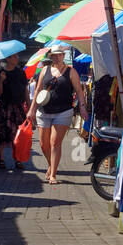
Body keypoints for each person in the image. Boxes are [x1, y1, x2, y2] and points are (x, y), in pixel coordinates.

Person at [30, 45, 84, 184]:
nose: (57, 57)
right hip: (44, 111)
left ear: (63, 55)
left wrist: (83, 107)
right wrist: (32, 109)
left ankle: (53, 174)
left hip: (63, 112)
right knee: (43, 144)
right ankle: (50, 164)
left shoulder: (71, 72)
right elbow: (37, 91)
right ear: (51, 56)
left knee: (55, 143)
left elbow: (79, 91)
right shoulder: (44, 70)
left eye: (60, 54)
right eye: (54, 55)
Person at [0, 54, 29, 170]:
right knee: (2, 134)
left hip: (18, 107)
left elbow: (26, 91)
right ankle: (1, 160)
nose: (17, 58)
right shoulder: (0, 73)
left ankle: (18, 160)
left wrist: (29, 108)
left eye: (17, 57)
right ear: (8, 59)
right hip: (4, 107)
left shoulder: (20, 73)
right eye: (14, 57)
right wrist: (1, 81)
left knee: (18, 135)